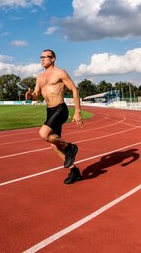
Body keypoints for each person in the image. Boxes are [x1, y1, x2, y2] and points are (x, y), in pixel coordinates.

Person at [25, 49, 84, 184]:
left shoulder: (60, 73)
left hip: (60, 109)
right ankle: (74, 172)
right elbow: (36, 94)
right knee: (54, 145)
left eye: (46, 57)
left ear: (53, 59)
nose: (43, 59)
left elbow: (74, 89)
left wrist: (77, 111)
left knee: (43, 133)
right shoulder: (40, 77)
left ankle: (70, 148)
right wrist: (30, 96)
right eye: (41, 57)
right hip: (49, 110)